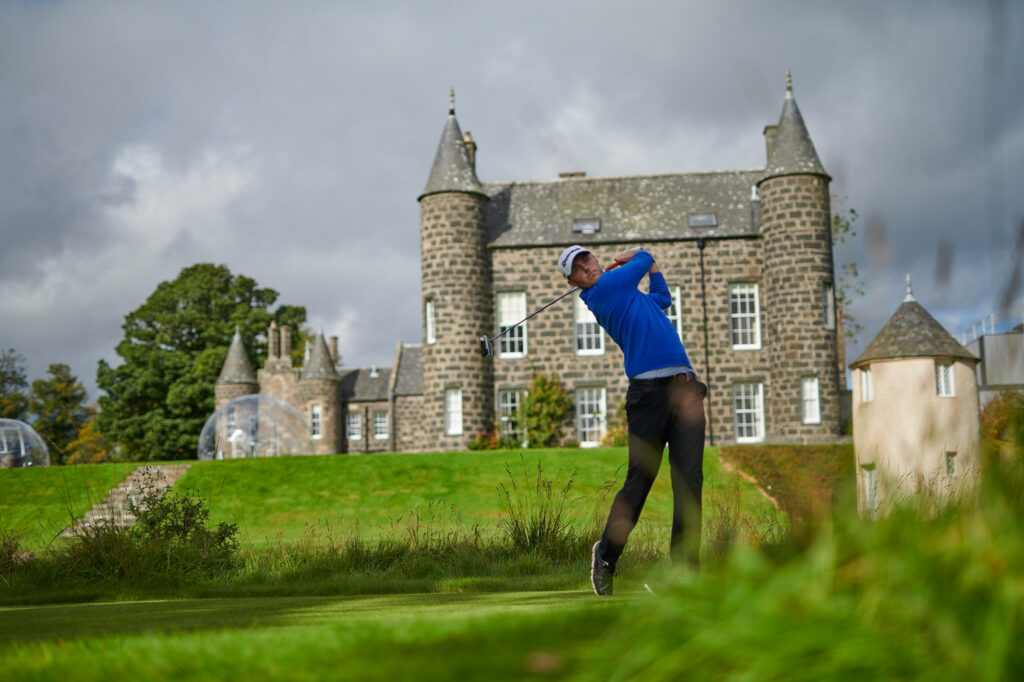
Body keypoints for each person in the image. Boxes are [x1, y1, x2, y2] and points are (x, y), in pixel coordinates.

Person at [558, 244, 707, 596]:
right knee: (640, 480)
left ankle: (685, 571)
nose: (588, 268)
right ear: (573, 282)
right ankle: (606, 556)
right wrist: (639, 255)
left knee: (690, 481)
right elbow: (642, 259)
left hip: (685, 388)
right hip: (649, 395)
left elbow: (662, 298)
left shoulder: (627, 294)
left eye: (588, 259)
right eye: (579, 269)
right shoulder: (604, 291)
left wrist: (653, 266)